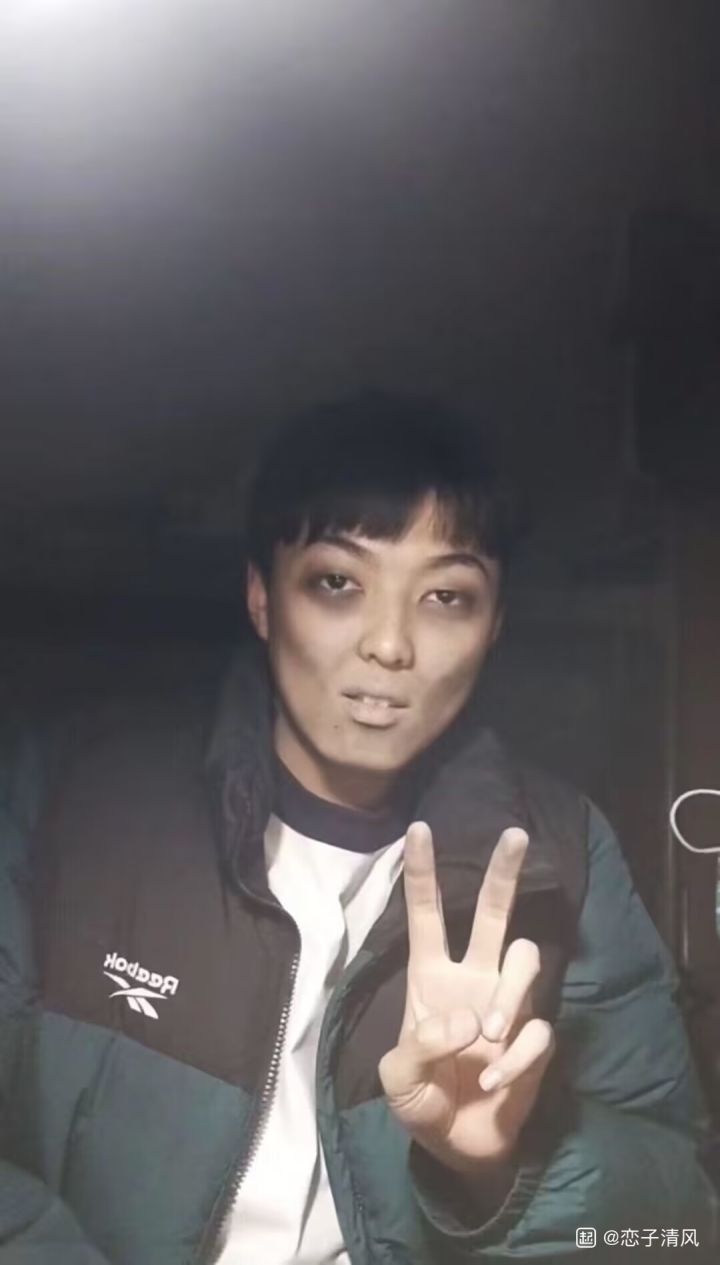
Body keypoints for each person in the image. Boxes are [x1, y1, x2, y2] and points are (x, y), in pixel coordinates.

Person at [0, 392, 717, 1265]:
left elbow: (678, 1225)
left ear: (494, 624)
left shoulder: (561, 850)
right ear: (263, 598)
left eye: (446, 595)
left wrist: (497, 1169)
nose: (390, 644)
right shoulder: (68, 793)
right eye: (338, 582)